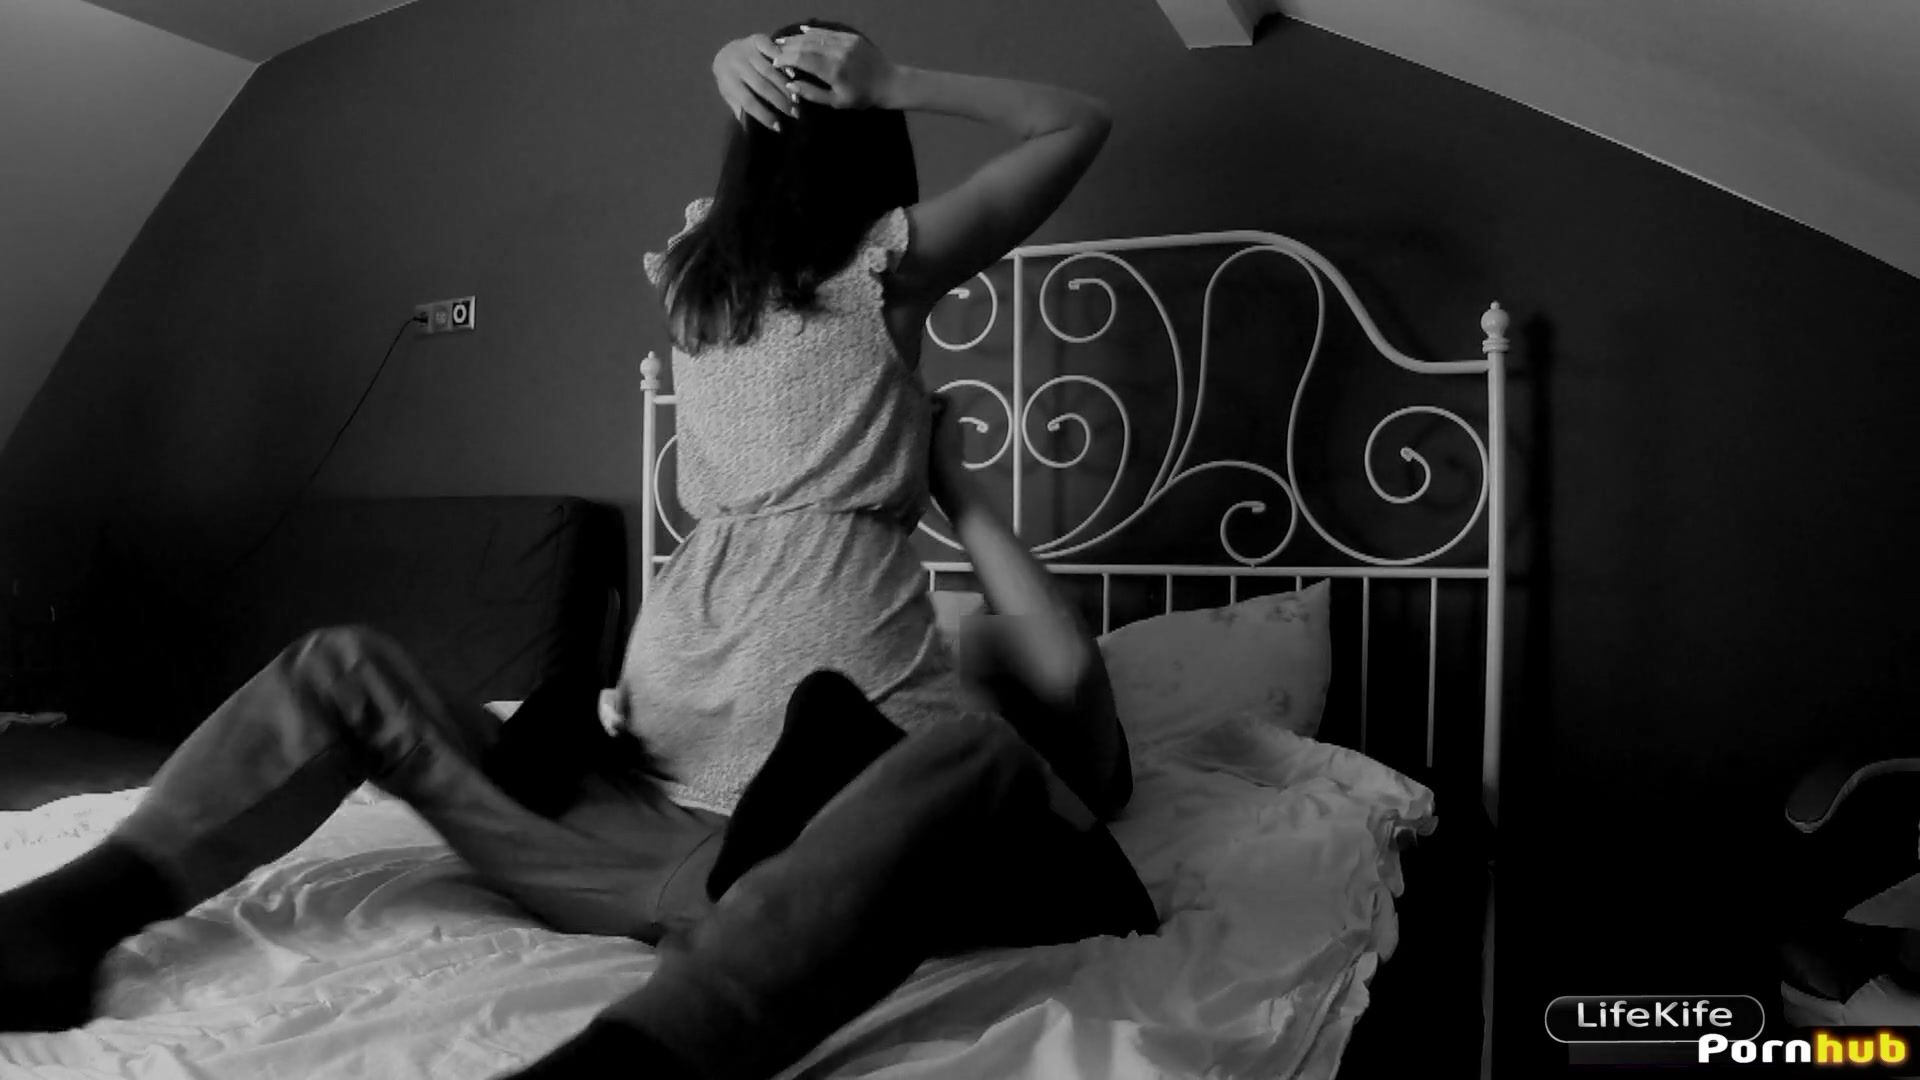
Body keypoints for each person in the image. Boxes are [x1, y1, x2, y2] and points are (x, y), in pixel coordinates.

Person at [0, 20, 1155, 1079]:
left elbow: (1075, 730)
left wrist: (758, 76)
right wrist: (877, 82)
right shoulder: (776, 275)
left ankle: (625, 1067)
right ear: (876, 149)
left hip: (787, 860)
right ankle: (58, 925)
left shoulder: (756, 281)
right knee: (338, 667)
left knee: (975, 761)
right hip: (610, 817)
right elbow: (1070, 125)